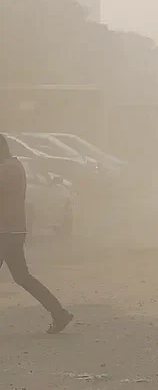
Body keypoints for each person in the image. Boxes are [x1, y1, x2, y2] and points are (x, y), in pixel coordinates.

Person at [0, 134, 73, 334]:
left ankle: (59, 313)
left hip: (7, 231)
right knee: (22, 277)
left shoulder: (9, 169)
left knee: (23, 277)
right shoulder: (11, 166)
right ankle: (59, 313)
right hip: (10, 230)